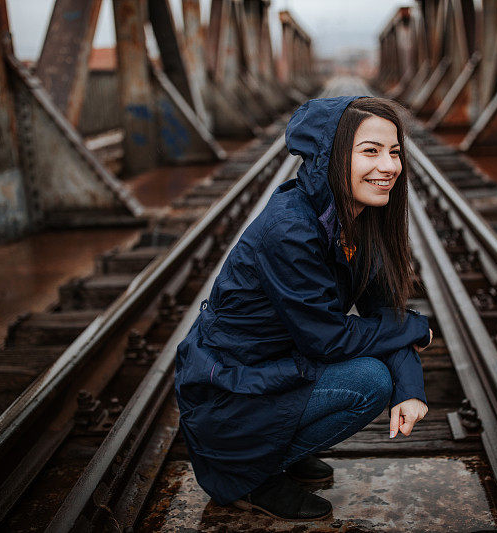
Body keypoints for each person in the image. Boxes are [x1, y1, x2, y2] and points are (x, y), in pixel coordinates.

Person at [174, 95, 433, 521]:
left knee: (385, 373)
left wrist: (410, 385)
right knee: (369, 381)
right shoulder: (290, 230)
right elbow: (328, 339)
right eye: (370, 151)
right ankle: (247, 477)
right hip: (231, 390)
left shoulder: (359, 215)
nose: (389, 167)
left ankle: (281, 451)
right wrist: (415, 331)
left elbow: (384, 312)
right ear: (330, 157)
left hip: (276, 368)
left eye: (394, 152)